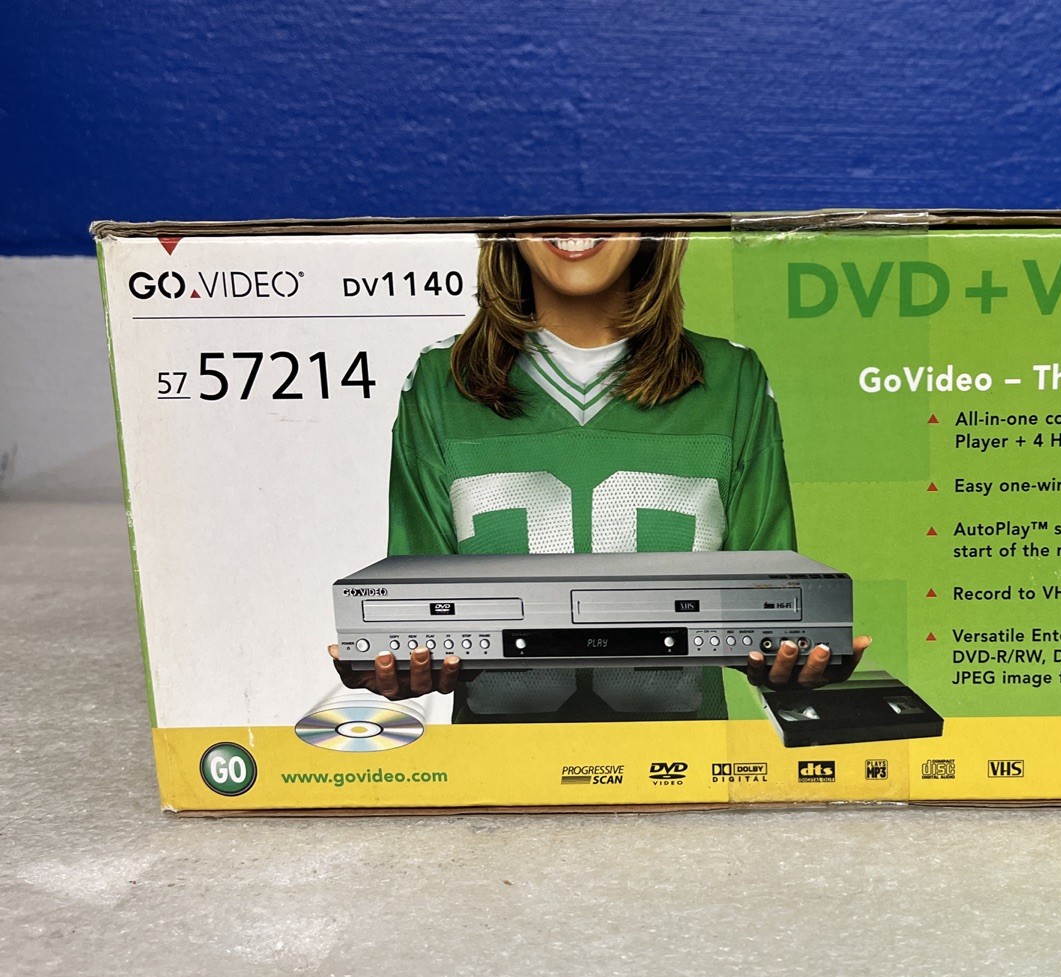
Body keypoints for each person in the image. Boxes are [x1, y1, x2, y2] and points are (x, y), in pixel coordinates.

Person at [329, 229, 869, 718]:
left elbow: (773, 600)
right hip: (500, 769)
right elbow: (414, 605)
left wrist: (793, 657)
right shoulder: (441, 379)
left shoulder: (731, 377)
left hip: (683, 767)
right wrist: (397, 653)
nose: (576, 218)